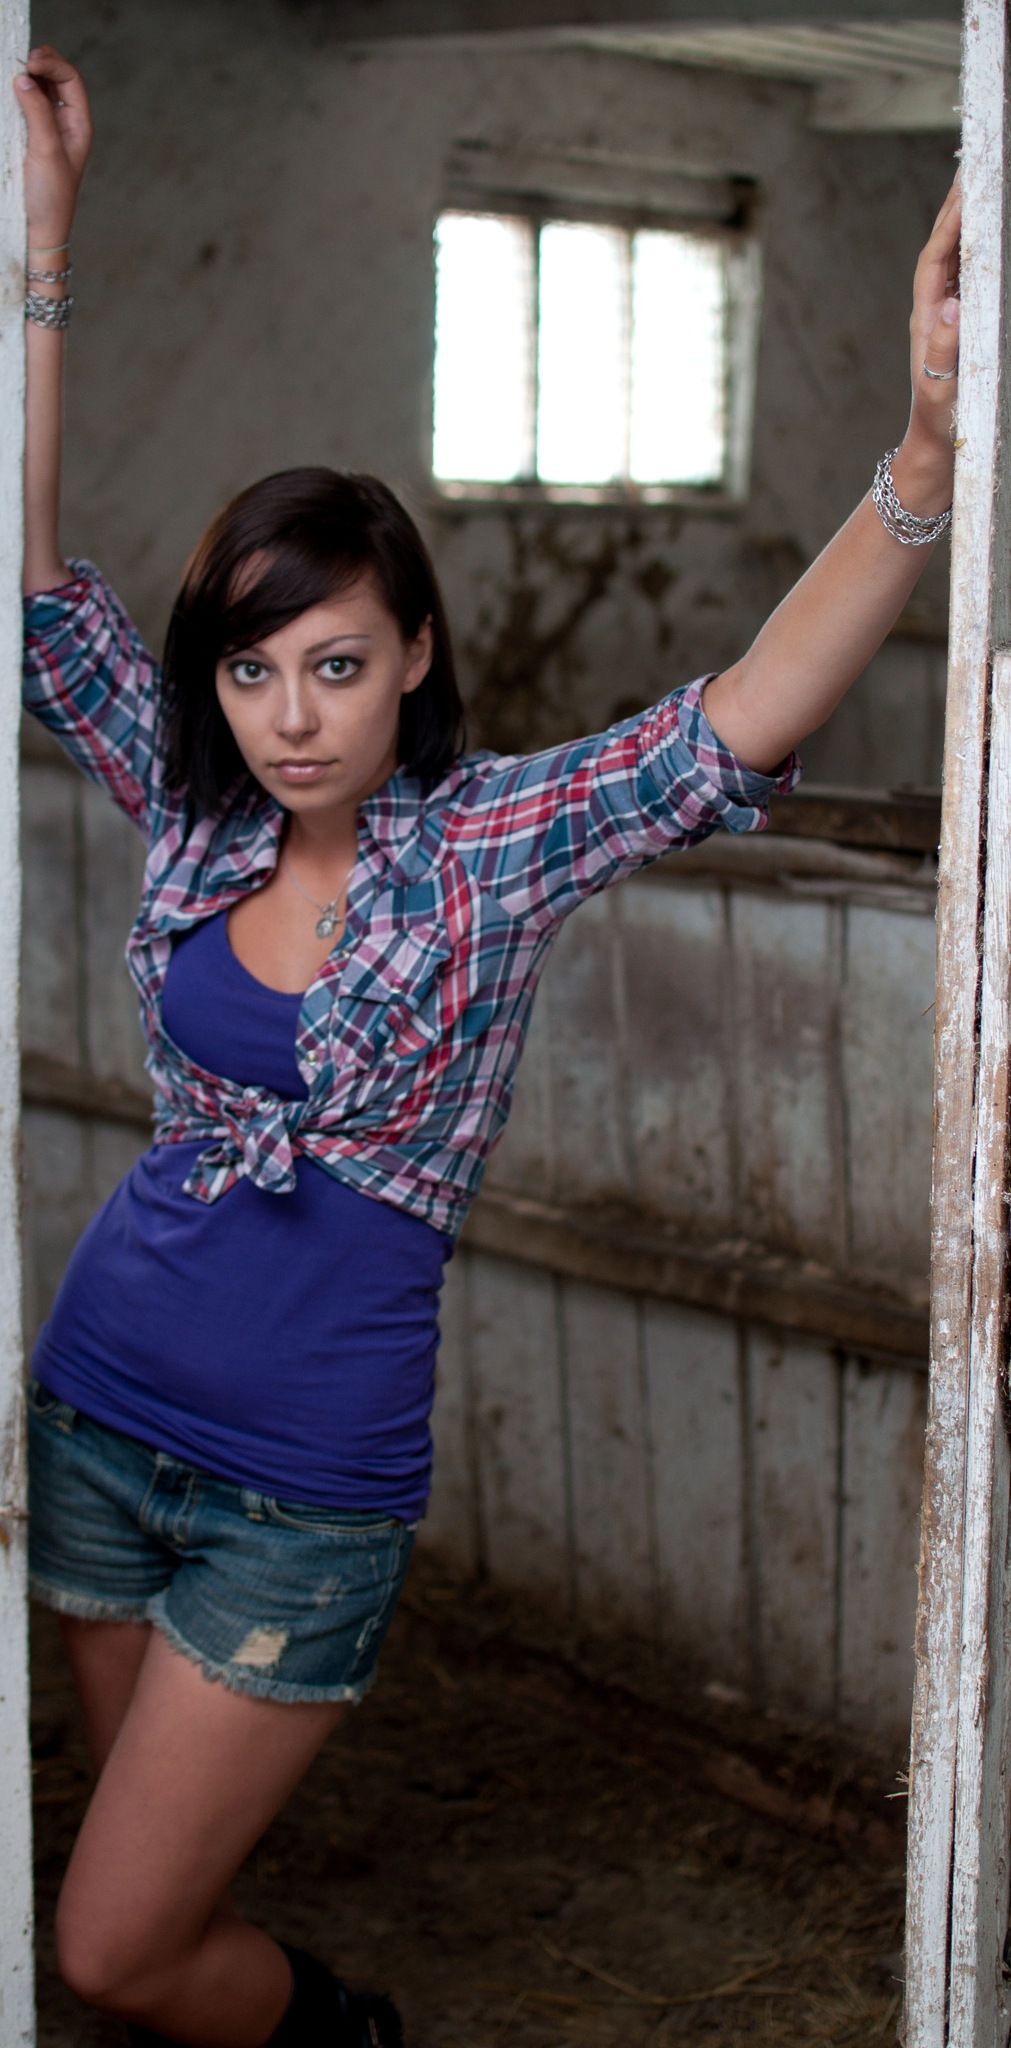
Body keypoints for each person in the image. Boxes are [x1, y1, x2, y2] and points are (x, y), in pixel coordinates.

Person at [16, 39, 960, 2048]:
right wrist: (42, 257)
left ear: (414, 657)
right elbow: (33, 591)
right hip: (96, 1413)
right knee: (141, 1920)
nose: (290, 714)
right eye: (252, 668)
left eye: (334, 662)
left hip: (300, 1491)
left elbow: (731, 720)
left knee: (108, 1949)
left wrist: (925, 455)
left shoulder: (486, 852)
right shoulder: (192, 807)